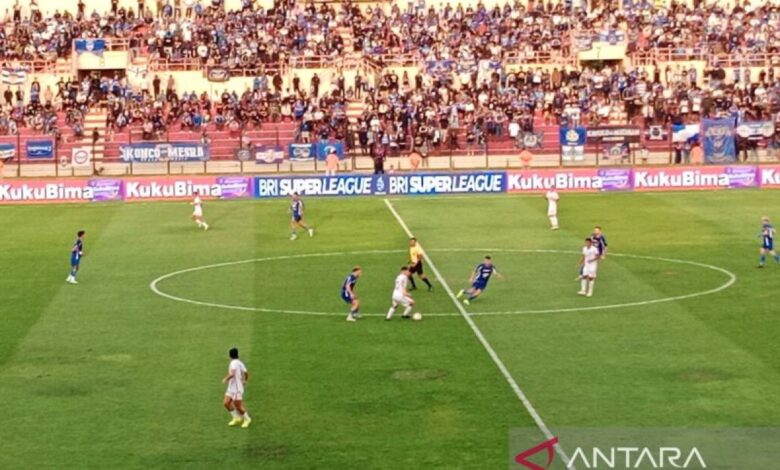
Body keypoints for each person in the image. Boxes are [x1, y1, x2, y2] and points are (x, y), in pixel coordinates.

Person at [222, 347, 251, 428]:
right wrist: (245, 380)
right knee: (226, 403)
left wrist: (225, 379)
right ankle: (236, 417)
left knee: (238, 406)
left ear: (230, 355)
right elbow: (246, 373)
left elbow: (233, 374)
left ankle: (247, 419)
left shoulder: (234, 363)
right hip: (231, 387)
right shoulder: (239, 362)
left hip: (237, 389)